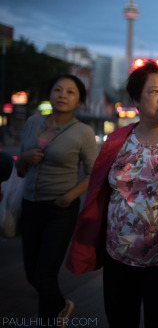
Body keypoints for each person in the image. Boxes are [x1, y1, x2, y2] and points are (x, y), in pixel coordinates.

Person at [66, 60, 158, 328]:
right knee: (120, 320)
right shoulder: (117, 140)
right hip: (118, 255)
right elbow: (100, 189)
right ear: (136, 98)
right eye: (153, 91)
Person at [15, 74, 97, 323]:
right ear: (49, 94)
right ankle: (61, 305)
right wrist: (26, 157)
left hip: (60, 210)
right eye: (58, 90)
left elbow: (94, 175)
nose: (62, 95)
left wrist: (68, 197)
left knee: (44, 275)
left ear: (79, 100)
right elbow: (19, 169)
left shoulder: (83, 132)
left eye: (70, 92)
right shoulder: (32, 122)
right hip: (30, 205)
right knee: (31, 274)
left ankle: (48, 319)